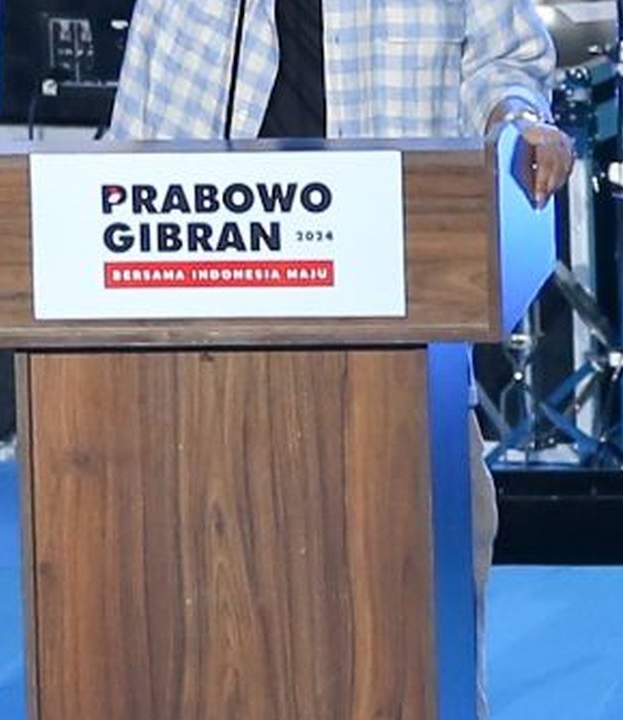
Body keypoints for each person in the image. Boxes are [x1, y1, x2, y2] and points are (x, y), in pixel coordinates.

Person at [109, 1, 574, 717]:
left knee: (420, 594)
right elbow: (137, 125)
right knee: (220, 606)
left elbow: (505, 61)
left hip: (396, 306)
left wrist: (517, 120)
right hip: (212, 319)